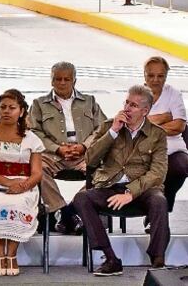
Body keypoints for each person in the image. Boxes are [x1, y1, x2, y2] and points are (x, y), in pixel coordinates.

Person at [72, 85, 170, 276]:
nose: (127, 108)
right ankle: (110, 259)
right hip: (110, 186)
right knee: (81, 198)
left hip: (141, 190)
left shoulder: (157, 134)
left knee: (159, 200)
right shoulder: (110, 126)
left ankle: (158, 261)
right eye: (126, 102)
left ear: (145, 111)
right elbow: (90, 160)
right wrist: (113, 132)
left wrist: (130, 192)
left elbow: (158, 172)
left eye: (133, 105)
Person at [0, 89, 44, 277]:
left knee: (18, 203)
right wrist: (6, 183)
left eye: (12, 108)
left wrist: (22, 186)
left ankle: (11, 254)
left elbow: (37, 173)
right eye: (3, 107)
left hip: (22, 185)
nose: (6, 111)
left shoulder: (32, 138)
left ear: (21, 111)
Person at [28, 61, 107, 235]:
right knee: (35, 168)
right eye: (57, 79)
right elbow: (34, 131)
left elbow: (102, 129)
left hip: (84, 155)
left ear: (74, 81)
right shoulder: (39, 104)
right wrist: (57, 148)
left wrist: (84, 146)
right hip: (53, 155)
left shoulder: (89, 102)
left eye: (66, 79)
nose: (62, 83)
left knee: (106, 172)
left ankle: (71, 210)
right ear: (51, 81)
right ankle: (62, 211)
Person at [142, 55, 188, 216]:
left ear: (166, 76)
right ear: (144, 75)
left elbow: (179, 126)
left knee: (182, 167)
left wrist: (148, 122)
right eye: (151, 75)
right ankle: (153, 209)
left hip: (173, 148)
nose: (155, 80)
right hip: (144, 150)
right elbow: (134, 125)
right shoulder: (136, 94)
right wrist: (165, 117)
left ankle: (161, 209)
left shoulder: (174, 94)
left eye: (160, 76)